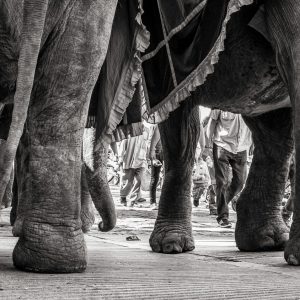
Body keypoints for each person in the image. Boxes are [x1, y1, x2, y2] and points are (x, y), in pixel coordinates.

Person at [206, 110, 252, 228]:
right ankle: (223, 217)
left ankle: (221, 203)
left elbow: (254, 125)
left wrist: (253, 145)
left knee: (240, 183)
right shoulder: (220, 104)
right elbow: (211, 123)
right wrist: (207, 146)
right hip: (222, 145)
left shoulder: (250, 101)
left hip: (242, 148)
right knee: (222, 182)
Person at [119, 128, 148, 207]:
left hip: (141, 160)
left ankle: (132, 200)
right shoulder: (128, 132)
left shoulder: (146, 131)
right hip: (129, 159)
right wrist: (120, 157)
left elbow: (147, 145)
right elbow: (123, 144)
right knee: (128, 181)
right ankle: (123, 196)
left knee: (139, 179)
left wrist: (149, 157)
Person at [148, 125, 163, 209]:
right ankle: (152, 202)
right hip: (158, 152)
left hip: (166, 151)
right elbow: (152, 138)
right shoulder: (158, 124)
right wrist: (152, 151)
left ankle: (162, 201)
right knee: (155, 178)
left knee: (163, 178)